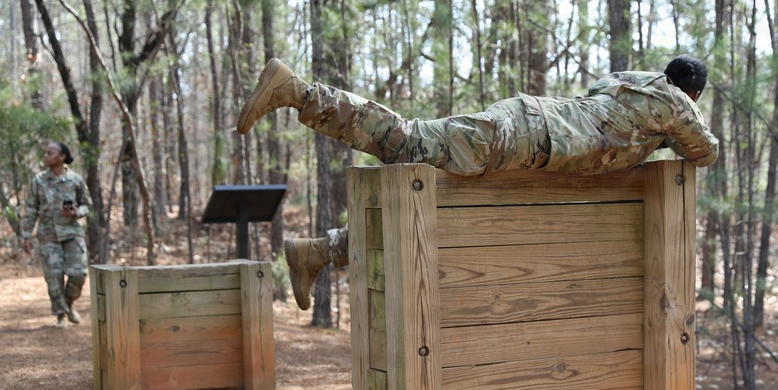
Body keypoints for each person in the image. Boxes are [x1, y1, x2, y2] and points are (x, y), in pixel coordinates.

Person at [237, 54, 719, 310]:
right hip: (523, 140)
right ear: (693, 93)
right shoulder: (677, 103)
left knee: (437, 210)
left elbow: (611, 119)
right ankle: (298, 91)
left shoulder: (629, 82)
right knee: (407, 142)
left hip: (530, 146)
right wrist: (671, 136)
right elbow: (705, 151)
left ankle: (319, 252)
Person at [21, 141, 92, 328]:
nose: (46, 156)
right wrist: (27, 235)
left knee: (79, 273)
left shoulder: (75, 179)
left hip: (72, 232)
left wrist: (77, 212)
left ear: (62, 157)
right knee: (53, 276)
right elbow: (31, 208)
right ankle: (61, 315)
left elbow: (87, 205)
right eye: (45, 153)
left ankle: (69, 302)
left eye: (50, 153)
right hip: (48, 234)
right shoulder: (38, 180)